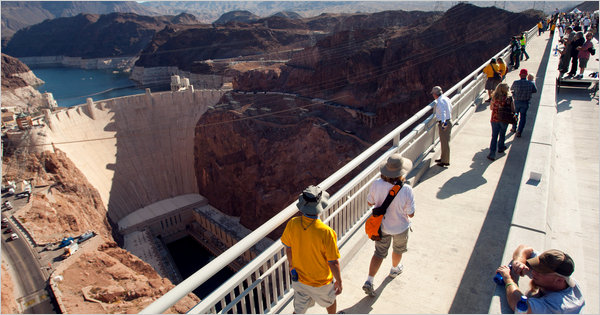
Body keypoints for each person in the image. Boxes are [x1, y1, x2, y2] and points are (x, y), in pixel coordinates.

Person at [281, 185, 342, 314]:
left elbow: (288, 249)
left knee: (299, 310)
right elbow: (333, 262)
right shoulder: (326, 232)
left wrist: (291, 266)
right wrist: (339, 282)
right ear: (320, 206)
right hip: (321, 282)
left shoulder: (293, 223)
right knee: (330, 301)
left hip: (299, 279)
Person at [362, 154, 415, 297]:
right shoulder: (407, 189)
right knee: (398, 249)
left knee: (379, 253)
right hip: (400, 227)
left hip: (382, 227)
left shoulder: (377, 184)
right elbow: (411, 214)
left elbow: (370, 203)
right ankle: (394, 269)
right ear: (401, 171)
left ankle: (369, 280)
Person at [496, 244, 585, 313]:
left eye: (540, 271)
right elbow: (525, 249)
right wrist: (518, 262)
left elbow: (518, 306)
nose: (533, 271)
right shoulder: (558, 280)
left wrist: (508, 279)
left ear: (559, 280)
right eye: (536, 266)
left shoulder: (558, 305)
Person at [487, 83, 514, 161]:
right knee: (502, 134)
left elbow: (491, 108)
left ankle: (492, 154)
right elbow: (512, 108)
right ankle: (501, 147)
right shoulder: (508, 98)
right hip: (504, 119)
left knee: (494, 136)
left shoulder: (494, 98)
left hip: (495, 119)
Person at [510, 69, 537, 138]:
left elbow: (511, 89)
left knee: (516, 114)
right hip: (525, 102)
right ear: (527, 75)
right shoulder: (530, 83)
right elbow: (535, 90)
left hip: (517, 102)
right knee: (523, 117)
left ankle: (514, 127)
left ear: (520, 75)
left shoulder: (516, 82)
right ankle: (519, 131)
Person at [431, 86, 453, 167]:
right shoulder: (446, 98)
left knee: (445, 142)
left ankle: (445, 161)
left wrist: (444, 125)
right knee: (444, 142)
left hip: (445, 123)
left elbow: (443, 113)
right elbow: (451, 107)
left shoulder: (440, 102)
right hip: (448, 120)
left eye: (433, 94)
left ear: (435, 94)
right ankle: (443, 158)